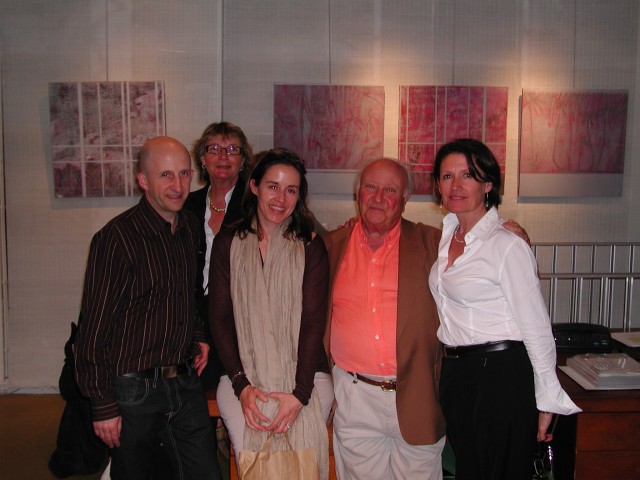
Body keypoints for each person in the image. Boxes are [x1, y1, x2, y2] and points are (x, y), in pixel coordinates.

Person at [428, 138, 581, 480]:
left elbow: (537, 327)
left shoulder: (507, 244)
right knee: (469, 471)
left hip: (500, 374)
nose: (456, 185)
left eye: (468, 175)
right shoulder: (448, 236)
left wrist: (547, 400)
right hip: (456, 373)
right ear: (437, 184)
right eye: (447, 176)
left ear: (488, 184)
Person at [74, 136, 220, 480]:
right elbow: (93, 330)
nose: (178, 185)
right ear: (143, 180)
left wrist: (197, 334)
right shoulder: (116, 239)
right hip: (133, 390)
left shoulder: (189, 228)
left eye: (184, 173)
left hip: (184, 382)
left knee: (206, 473)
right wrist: (103, 405)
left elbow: (187, 294)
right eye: (166, 175)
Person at [209, 148, 333, 479]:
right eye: (273, 186)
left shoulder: (310, 245)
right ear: (254, 186)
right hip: (241, 378)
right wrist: (242, 386)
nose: (281, 198)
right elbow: (220, 319)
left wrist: (299, 396)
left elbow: (312, 324)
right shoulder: (228, 243)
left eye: (291, 190)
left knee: (300, 464)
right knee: (256, 466)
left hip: (307, 378)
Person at [323, 158, 446, 479]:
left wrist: (508, 230)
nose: (378, 198)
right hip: (355, 396)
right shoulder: (330, 247)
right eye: (370, 187)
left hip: (417, 393)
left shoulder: (434, 244)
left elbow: (481, 250)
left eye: (390, 190)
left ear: (405, 200)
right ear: (358, 194)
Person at [183, 121, 254, 391]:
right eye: (214, 148)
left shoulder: (255, 204)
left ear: (243, 160)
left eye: (232, 149)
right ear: (202, 158)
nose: (223, 156)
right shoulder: (187, 205)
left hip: (240, 317)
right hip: (195, 315)